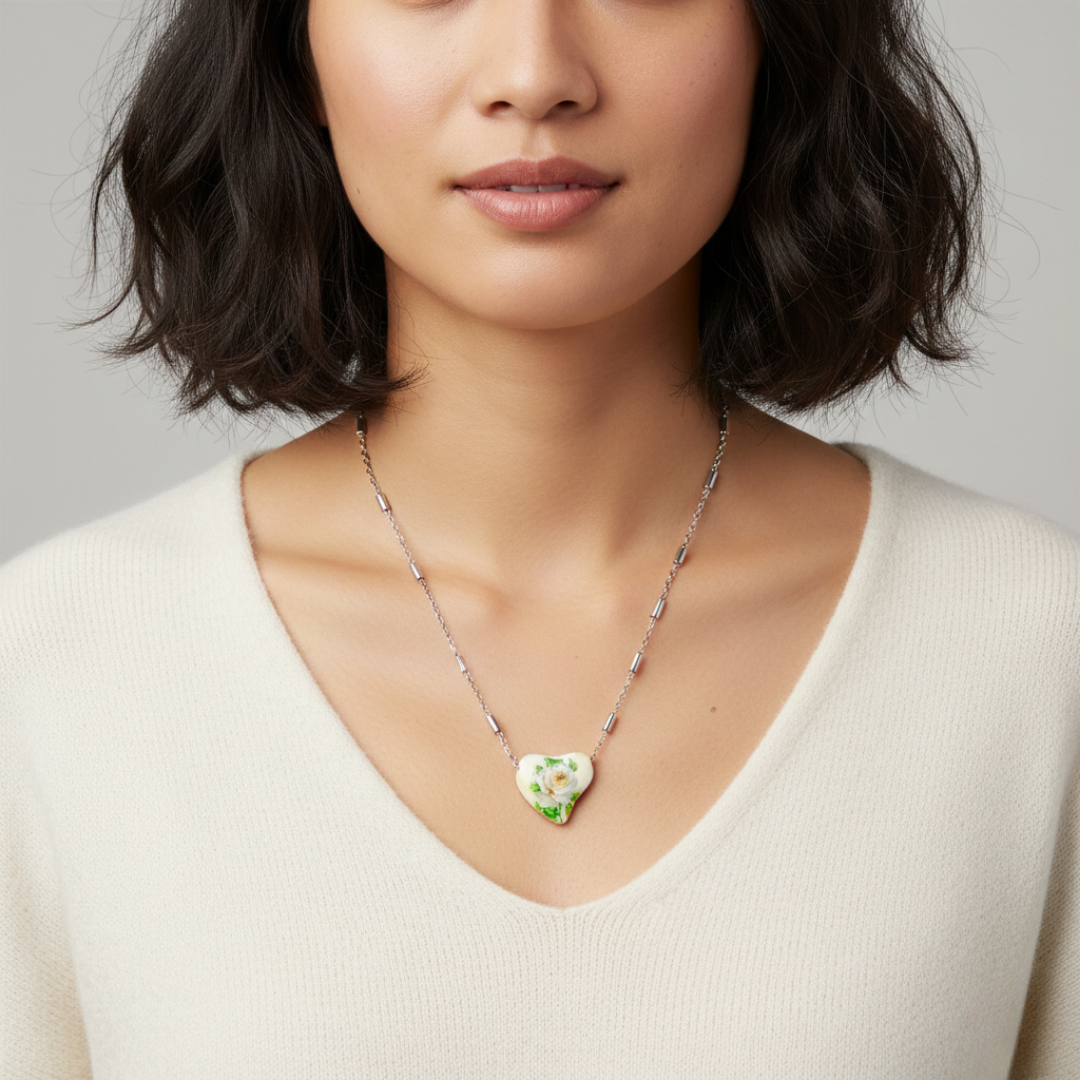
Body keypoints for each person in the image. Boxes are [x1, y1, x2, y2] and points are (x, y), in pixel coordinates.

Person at [2, 0, 1077, 1074]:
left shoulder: (1031, 644)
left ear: (779, 37)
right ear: (294, 48)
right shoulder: (56, 663)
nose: (534, 73)